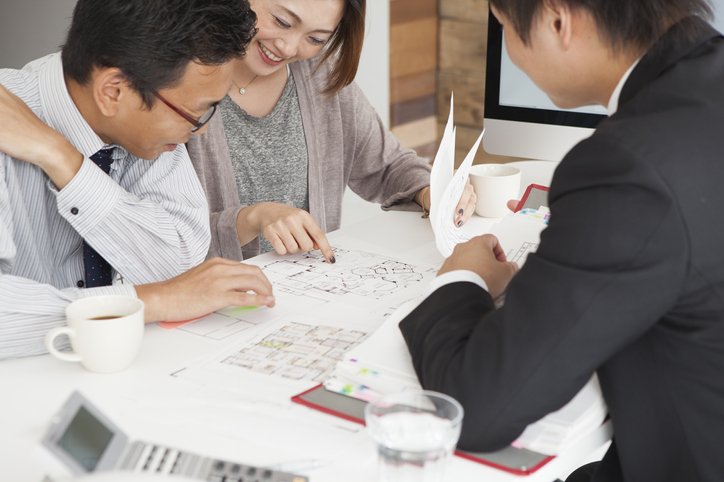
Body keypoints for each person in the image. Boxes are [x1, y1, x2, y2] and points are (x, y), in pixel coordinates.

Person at [398, 1, 724, 481]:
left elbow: (480, 405)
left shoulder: (626, 165)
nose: (507, 47)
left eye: (504, 26)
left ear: (557, 20)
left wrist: (462, 276)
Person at [0, 0, 276, 360]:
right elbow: (175, 290)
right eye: (194, 113)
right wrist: (151, 300)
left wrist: (63, 160)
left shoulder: (149, 124)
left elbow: (177, 263)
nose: (200, 130)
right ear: (113, 91)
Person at [187, 0, 476, 262]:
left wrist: (432, 191)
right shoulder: (178, 84)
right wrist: (251, 219)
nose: (288, 48)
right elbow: (158, 238)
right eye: (282, 22)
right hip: (210, 312)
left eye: (315, 38)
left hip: (310, 298)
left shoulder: (320, 75)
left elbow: (389, 165)